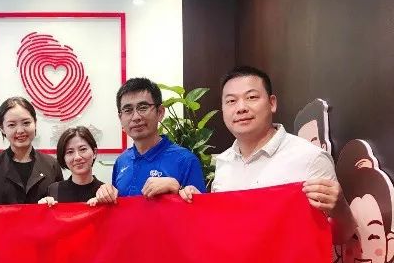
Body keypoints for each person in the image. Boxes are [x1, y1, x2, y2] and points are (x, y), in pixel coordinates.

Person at [179, 65, 355, 244]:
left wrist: (340, 208)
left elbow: (340, 237)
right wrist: (198, 204)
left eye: (251, 97)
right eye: (231, 101)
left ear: (272, 103)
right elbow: (224, 229)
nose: (241, 108)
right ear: (223, 109)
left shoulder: (310, 158)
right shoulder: (223, 162)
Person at [95, 78, 206, 203]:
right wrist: (105, 195)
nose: (136, 117)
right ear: (120, 118)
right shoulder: (121, 161)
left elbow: (201, 211)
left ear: (160, 112)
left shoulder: (185, 160)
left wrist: (177, 188)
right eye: (128, 110)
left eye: (143, 107)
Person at [0, 97, 63, 204]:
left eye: (26, 123)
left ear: (35, 123)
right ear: (2, 128)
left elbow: (60, 207)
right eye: (12, 125)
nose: (20, 130)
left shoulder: (51, 164)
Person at [38, 126, 103, 206]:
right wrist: (42, 208)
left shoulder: (104, 192)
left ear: (94, 153)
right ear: (63, 158)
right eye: (70, 152)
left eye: (83, 149)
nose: (77, 157)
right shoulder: (54, 190)